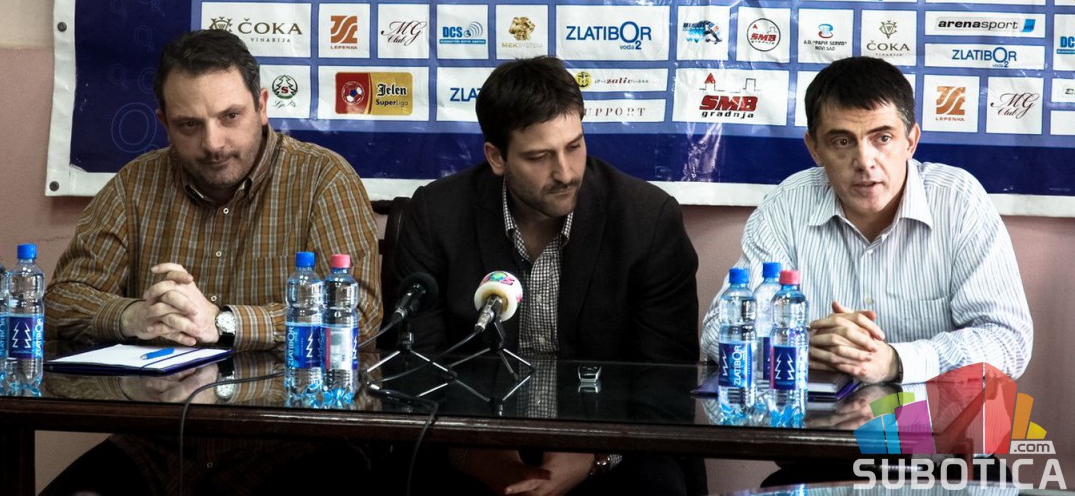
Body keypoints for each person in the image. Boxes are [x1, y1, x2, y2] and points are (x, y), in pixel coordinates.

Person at [43, 28, 382, 495]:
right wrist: (132, 316)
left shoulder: (323, 179)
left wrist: (223, 322)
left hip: (292, 440)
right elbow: (59, 302)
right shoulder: (135, 185)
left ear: (262, 106)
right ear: (164, 122)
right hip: (161, 442)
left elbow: (359, 315)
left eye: (230, 117)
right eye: (189, 125)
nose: (214, 142)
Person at [390, 55, 701, 495]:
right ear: (497, 157)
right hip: (472, 441)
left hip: (610, 446)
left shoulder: (647, 221)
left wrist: (594, 456)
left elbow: (667, 381)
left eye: (574, 146)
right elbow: (413, 367)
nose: (565, 173)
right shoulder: (436, 215)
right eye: (539, 157)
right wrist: (473, 454)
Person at [702, 56, 1033, 387]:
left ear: (911, 141)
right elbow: (717, 331)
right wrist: (801, 343)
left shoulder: (958, 201)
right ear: (814, 148)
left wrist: (895, 360)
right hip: (817, 418)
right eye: (842, 141)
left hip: (932, 417)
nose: (864, 161)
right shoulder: (786, 205)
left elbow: (1008, 341)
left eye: (883, 138)